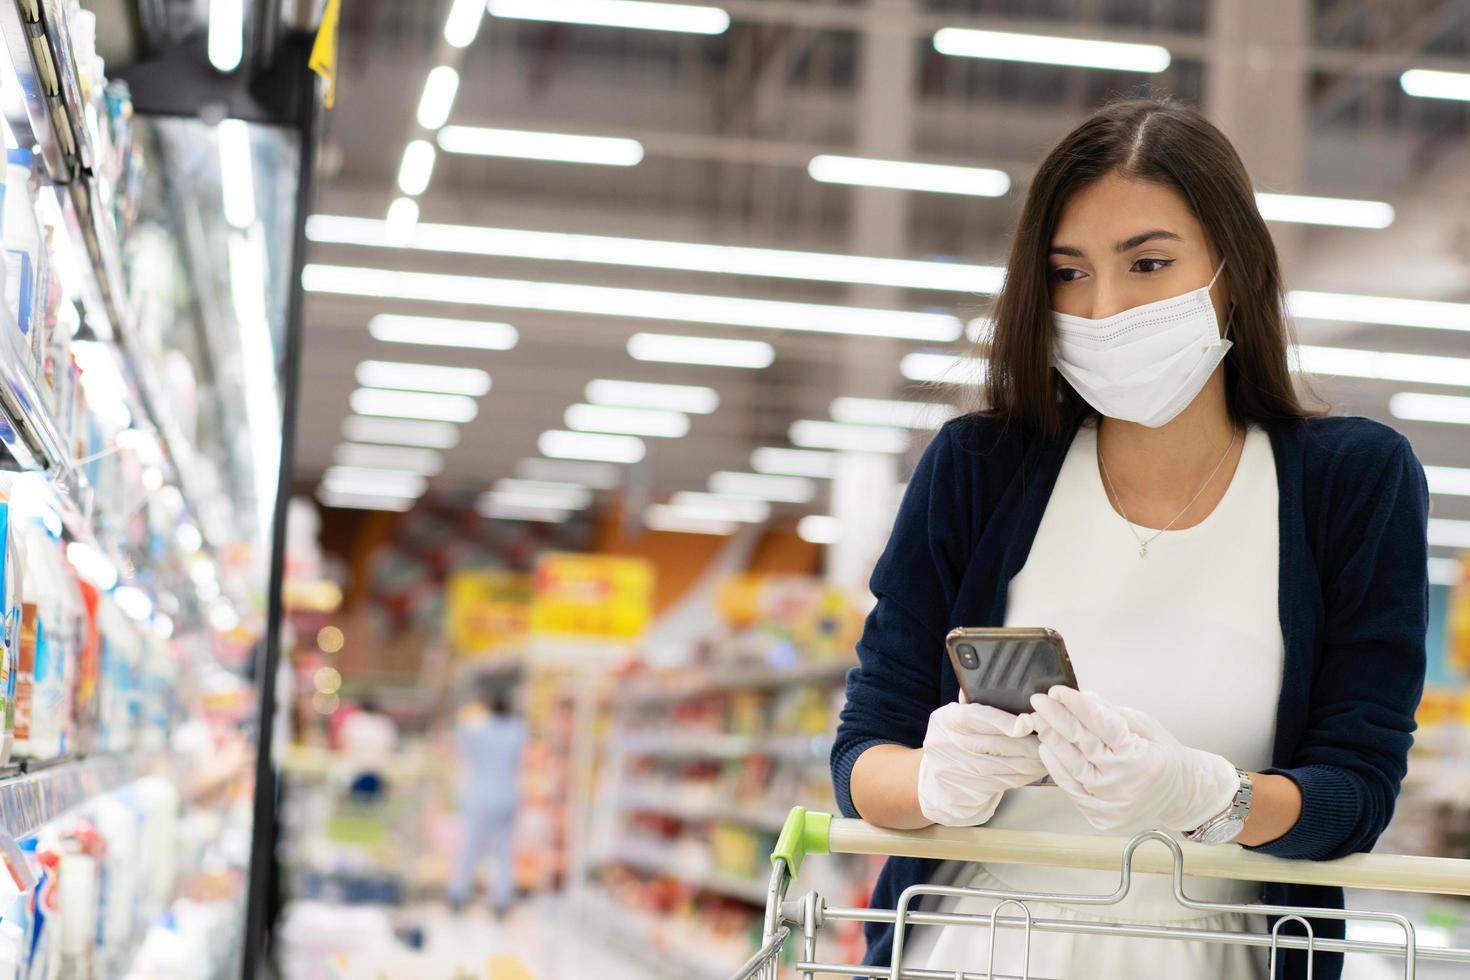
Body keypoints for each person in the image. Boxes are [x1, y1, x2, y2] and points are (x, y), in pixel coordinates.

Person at [831, 97, 1428, 980]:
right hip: (970, 947)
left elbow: (1356, 793)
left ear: (1237, 270)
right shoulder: (980, 467)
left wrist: (1207, 797)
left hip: (1209, 957)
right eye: (1069, 273)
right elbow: (860, 756)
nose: (1105, 308)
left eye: (1148, 263)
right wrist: (932, 782)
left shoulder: (1350, 483)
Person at [448, 679, 528, 915]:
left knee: (470, 847)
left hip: (479, 795)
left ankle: (460, 893)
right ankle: (501, 898)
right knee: (503, 852)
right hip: (506, 796)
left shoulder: (477, 730)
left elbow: (461, 742)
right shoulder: (518, 732)